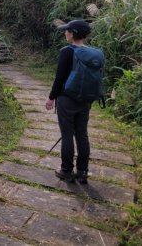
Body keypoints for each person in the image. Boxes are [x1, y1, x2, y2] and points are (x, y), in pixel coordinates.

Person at [45, 19, 94, 184]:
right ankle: (83, 171)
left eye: (67, 31)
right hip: (85, 101)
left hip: (67, 100)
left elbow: (59, 78)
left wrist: (51, 97)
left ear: (72, 33)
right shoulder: (91, 52)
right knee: (82, 135)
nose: (65, 33)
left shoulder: (66, 51)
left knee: (67, 135)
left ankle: (66, 170)